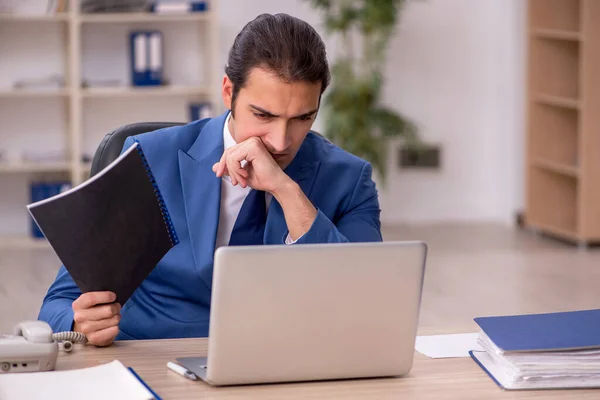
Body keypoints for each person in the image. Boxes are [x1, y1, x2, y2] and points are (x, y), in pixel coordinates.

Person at [38, 13, 383, 347]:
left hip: (285, 361)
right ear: (228, 91)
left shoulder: (349, 180)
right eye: (264, 115)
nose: (280, 141)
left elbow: (367, 301)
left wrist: (286, 190)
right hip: (158, 358)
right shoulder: (148, 158)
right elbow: (60, 301)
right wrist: (78, 321)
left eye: (302, 118)